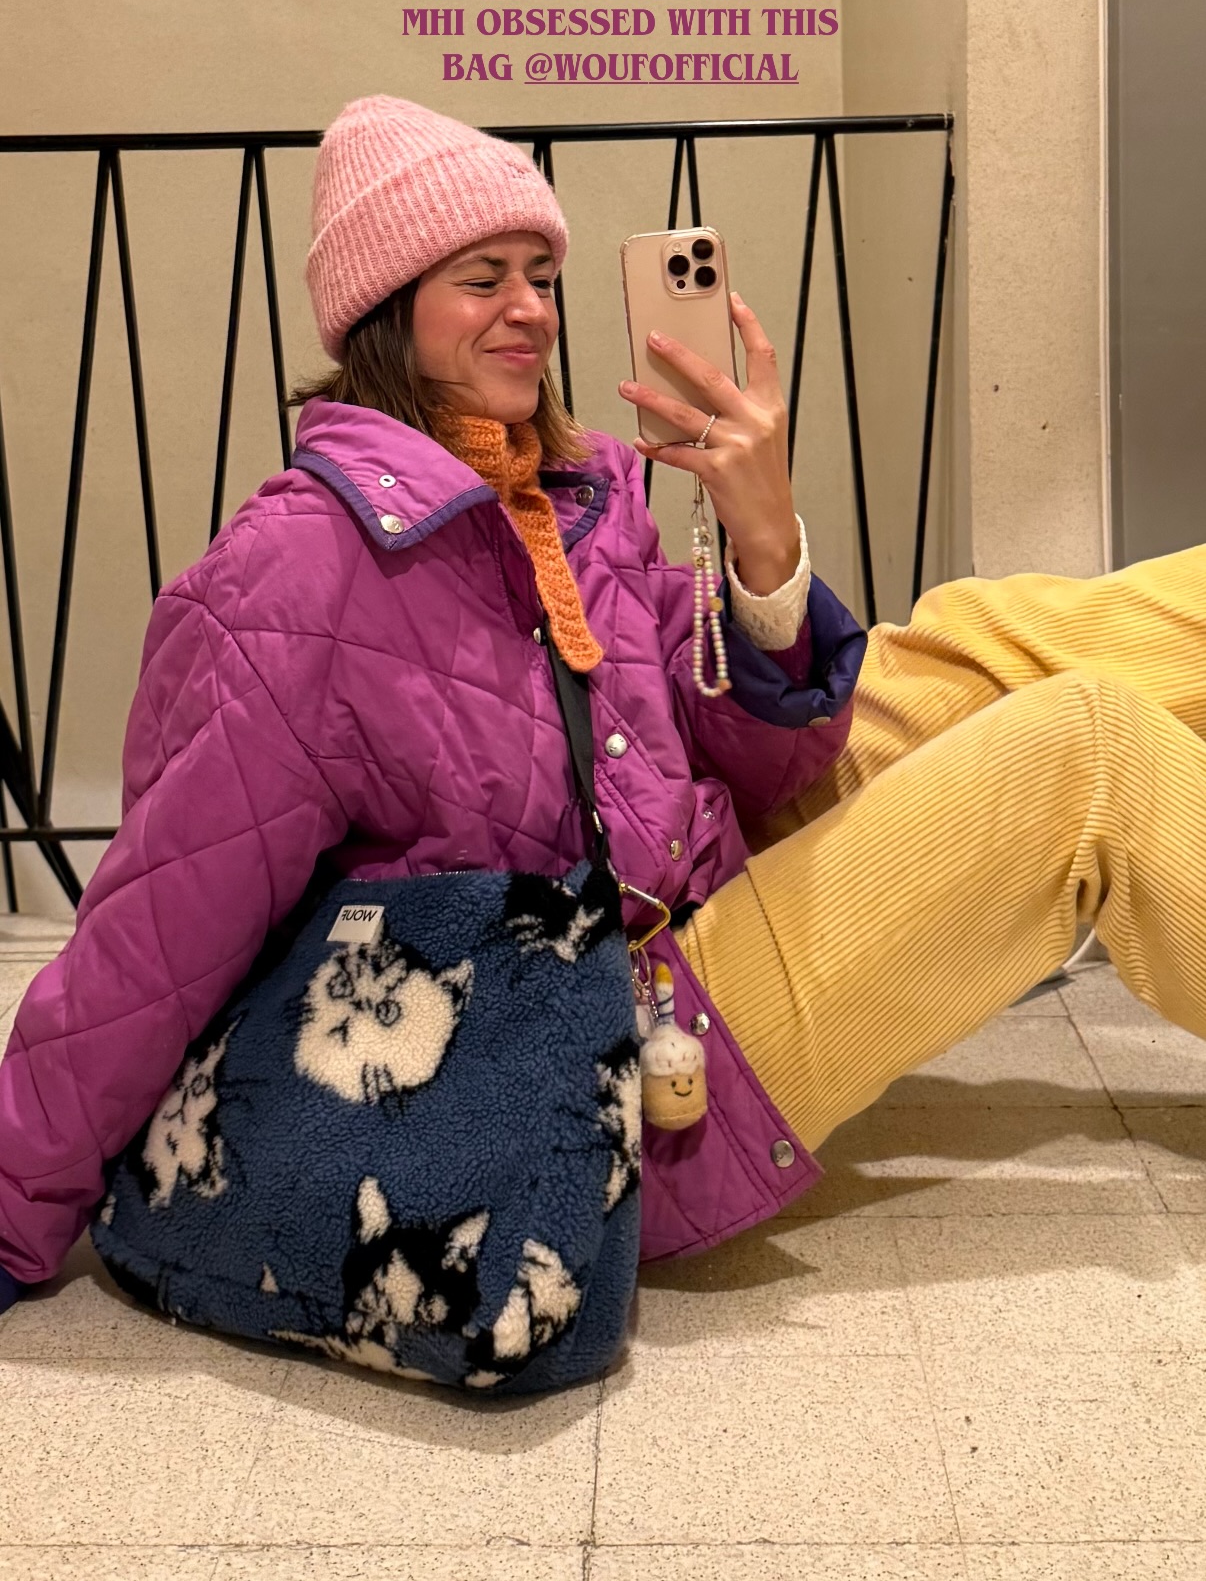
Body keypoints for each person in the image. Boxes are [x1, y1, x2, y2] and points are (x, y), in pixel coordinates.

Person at [2, 93, 1206, 1318]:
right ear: (385, 311)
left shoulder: (581, 489)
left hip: (695, 863)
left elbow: (761, 761)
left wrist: (764, 544)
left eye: (541, 273)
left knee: (1019, 632)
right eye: (482, 278)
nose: (531, 307)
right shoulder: (291, 582)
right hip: (598, 1051)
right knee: (1085, 752)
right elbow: (147, 945)